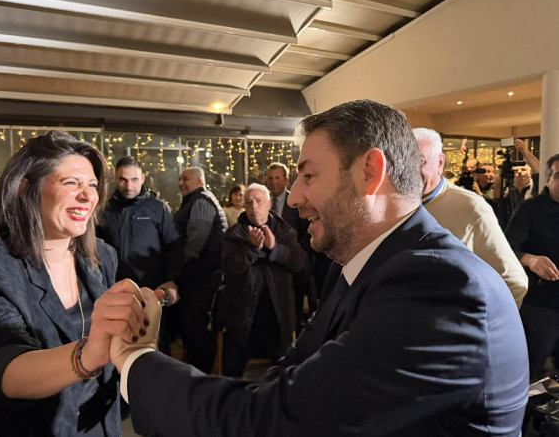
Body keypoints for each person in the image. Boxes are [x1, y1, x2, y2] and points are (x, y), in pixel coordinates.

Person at [109, 100, 528, 437]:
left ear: (370, 172)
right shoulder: (359, 267)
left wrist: (135, 359)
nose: (294, 198)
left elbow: (278, 422)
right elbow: (286, 383)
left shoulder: (441, 287)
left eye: (308, 176)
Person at [0, 131, 147, 436]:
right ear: (25, 188)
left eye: (92, 185)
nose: (88, 196)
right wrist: (89, 355)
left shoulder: (102, 257)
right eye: (71, 183)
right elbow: (2, 367)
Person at [413, 127, 528, 307]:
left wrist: (468, 321)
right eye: (401, 161)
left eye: (419, 161)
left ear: (440, 162)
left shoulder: (470, 207)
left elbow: (513, 282)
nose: (408, 170)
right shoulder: (389, 203)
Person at [220, 183, 306, 377]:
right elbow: (229, 267)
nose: (254, 207)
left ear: (269, 204)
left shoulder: (284, 231)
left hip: (277, 314)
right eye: (249, 202)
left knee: (282, 374)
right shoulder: (233, 234)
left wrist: (274, 247)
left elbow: (299, 263)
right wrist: (253, 249)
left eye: (259, 201)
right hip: (242, 315)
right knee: (233, 371)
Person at [97, 156, 180, 354]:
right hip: (116, 289)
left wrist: (173, 280)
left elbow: (175, 247)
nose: (129, 186)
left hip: (151, 289)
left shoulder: (158, 208)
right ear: (115, 179)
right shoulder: (105, 210)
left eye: (134, 179)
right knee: (119, 343)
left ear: (142, 178)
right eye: (123, 180)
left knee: (156, 342)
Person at [505, 154, 559, 381]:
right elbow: (505, 250)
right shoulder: (530, 210)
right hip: (541, 303)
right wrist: (529, 259)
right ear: (548, 179)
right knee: (532, 368)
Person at [175, 166, 228, 373]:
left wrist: (177, 266)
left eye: (186, 179)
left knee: (198, 329)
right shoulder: (197, 199)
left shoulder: (201, 201)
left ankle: (201, 376)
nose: (181, 183)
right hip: (201, 276)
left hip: (201, 277)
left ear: (199, 181)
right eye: (180, 179)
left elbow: (195, 240)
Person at [266, 162, 316, 333]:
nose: (274, 182)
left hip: (293, 270)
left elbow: (307, 232)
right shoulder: (262, 203)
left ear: (286, 181)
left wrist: (292, 254)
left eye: (277, 178)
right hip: (269, 269)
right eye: (270, 178)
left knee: (292, 314)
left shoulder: (296, 202)